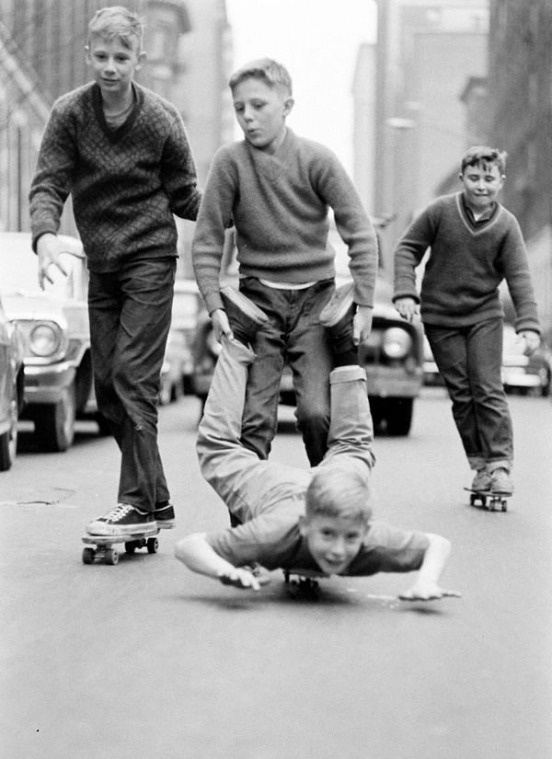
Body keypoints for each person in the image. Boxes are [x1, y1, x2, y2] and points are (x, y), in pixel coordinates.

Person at [29, 6, 201, 535]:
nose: (110, 67)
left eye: (121, 57)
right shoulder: (70, 114)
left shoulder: (160, 119)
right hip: (101, 263)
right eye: (101, 56)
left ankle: (133, 502)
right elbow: (49, 183)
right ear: (88, 56)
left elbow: (187, 195)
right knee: (106, 387)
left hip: (150, 257)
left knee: (132, 378)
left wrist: (240, 208)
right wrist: (45, 236)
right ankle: (157, 498)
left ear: (139, 61)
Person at [175, 296, 459, 601]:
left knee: (352, 448)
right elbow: (188, 547)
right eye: (327, 535)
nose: (338, 550)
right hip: (278, 492)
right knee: (223, 448)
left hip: (331, 486)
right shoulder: (275, 534)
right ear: (305, 526)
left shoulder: (368, 539)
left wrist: (427, 582)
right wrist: (224, 569)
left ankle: (245, 338)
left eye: (351, 538)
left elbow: (436, 544)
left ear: (365, 531)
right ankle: (341, 345)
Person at [192, 57, 379, 467]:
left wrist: (364, 304)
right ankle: (252, 521)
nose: (247, 117)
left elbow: (360, 232)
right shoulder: (230, 163)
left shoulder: (318, 160)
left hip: (316, 302)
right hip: (257, 304)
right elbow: (206, 240)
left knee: (317, 414)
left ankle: (325, 509)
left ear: (287, 106)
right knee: (252, 422)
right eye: (240, 107)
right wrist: (215, 304)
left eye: (258, 105)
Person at [393, 146, 540, 496]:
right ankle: (479, 465)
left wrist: (529, 325)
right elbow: (407, 249)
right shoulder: (441, 211)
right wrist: (404, 292)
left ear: (501, 182)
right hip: (440, 317)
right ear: (462, 179)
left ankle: (500, 465)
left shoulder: (506, 225)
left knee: (487, 388)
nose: (481, 186)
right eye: (474, 178)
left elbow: (519, 277)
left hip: (483, 316)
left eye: (489, 179)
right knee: (462, 394)